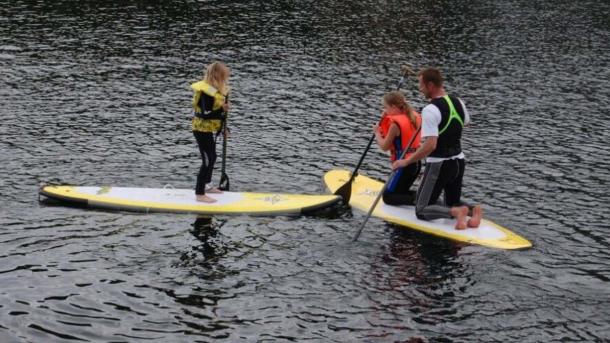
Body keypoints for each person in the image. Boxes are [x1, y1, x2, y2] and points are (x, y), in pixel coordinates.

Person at [392, 67, 482, 230]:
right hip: (459, 161)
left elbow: (431, 145)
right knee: (450, 201)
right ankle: (472, 210)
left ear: (430, 85)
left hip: (439, 164)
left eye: (421, 85)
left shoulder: (430, 110)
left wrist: (406, 161)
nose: (419, 89)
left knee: (421, 209)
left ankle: (456, 213)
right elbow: (465, 124)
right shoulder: (458, 102)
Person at [191, 62, 230, 203]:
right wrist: (222, 109)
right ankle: (199, 194)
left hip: (208, 129)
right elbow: (206, 113)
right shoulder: (206, 92)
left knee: (212, 157)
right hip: (200, 129)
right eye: (223, 77)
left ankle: (207, 186)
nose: (225, 80)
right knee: (207, 161)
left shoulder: (215, 91)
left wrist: (224, 129)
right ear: (216, 75)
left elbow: (218, 115)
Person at [374, 91, 422, 206]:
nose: (384, 111)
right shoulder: (414, 117)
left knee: (388, 197)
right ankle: (424, 197)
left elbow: (385, 146)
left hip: (403, 165)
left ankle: (422, 201)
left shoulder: (395, 125)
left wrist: (377, 133)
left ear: (394, 107)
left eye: (385, 107)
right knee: (401, 191)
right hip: (416, 162)